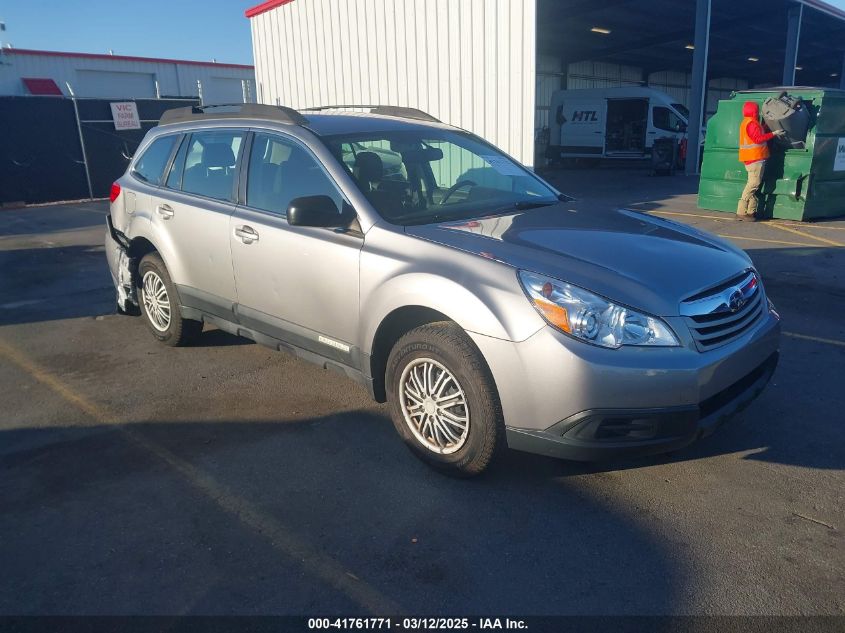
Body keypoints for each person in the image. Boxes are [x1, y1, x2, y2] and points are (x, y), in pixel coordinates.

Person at [737, 101, 785, 222]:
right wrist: (774, 133)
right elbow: (758, 138)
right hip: (755, 158)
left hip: (751, 158)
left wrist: (766, 126)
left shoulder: (747, 122)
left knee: (754, 184)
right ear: (754, 111)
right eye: (757, 110)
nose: (758, 112)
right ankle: (741, 211)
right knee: (753, 184)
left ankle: (751, 212)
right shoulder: (752, 123)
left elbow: (757, 133)